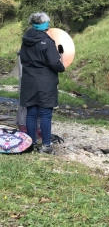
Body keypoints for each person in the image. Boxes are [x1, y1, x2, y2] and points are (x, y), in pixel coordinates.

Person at [20, 12, 65, 154]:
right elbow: (54, 62)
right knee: (45, 114)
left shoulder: (25, 39)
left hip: (29, 81)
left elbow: (22, 59)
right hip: (45, 82)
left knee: (31, 113)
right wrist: (61, 66)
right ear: (43, 24)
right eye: (48, 22)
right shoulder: (47, 41)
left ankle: (30, 144)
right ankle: (46, 145)